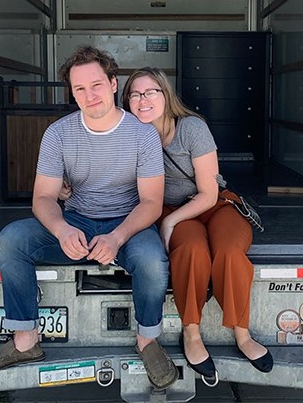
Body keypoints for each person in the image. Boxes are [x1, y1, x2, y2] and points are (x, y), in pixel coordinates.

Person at [0, 47, 178, 390]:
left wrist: (116, 238)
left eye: (96, 85)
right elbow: (43, 198)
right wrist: (61, 228)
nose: (89, 95)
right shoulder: (58, 133)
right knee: (12, 239)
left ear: (113, 84)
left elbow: (152, 203)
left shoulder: (142, 134)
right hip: (77, 220)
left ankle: (148, 341)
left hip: (127, 223)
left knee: (152, 262)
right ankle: (25, 341)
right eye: (79, 89)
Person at [122, 67, 273, 376]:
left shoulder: (191, 128)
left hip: (212, 204)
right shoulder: (128, 135)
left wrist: (169, 222)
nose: (143, 99)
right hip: (170, 208)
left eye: (151, 92)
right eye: (135, 94)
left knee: (230, 251)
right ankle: (191, 332)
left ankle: (242, 334)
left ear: (166, 95)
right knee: (191, 251)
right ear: (127, 101)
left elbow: (207, 192)